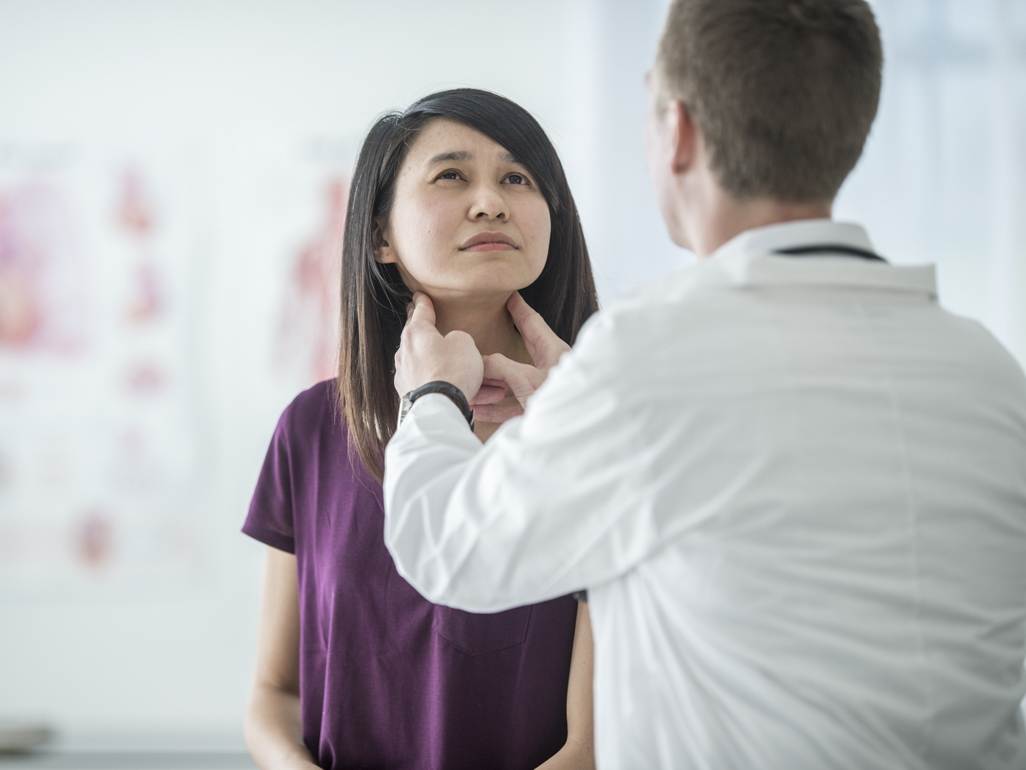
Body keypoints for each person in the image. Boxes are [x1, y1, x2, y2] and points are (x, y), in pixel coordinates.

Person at [383, 2, 1026, 769]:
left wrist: (431, 398)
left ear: (677, 131)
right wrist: (578, 406)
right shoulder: (991, 373)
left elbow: (448, 550)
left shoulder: (647, 357)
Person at [242, 89, 600, 770]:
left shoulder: (594, 431)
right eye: (451, 176)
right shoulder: (313, 429)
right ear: (380, 236)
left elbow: (592, 742)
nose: (491, 201)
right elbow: (273, 692)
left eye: (518, 178)